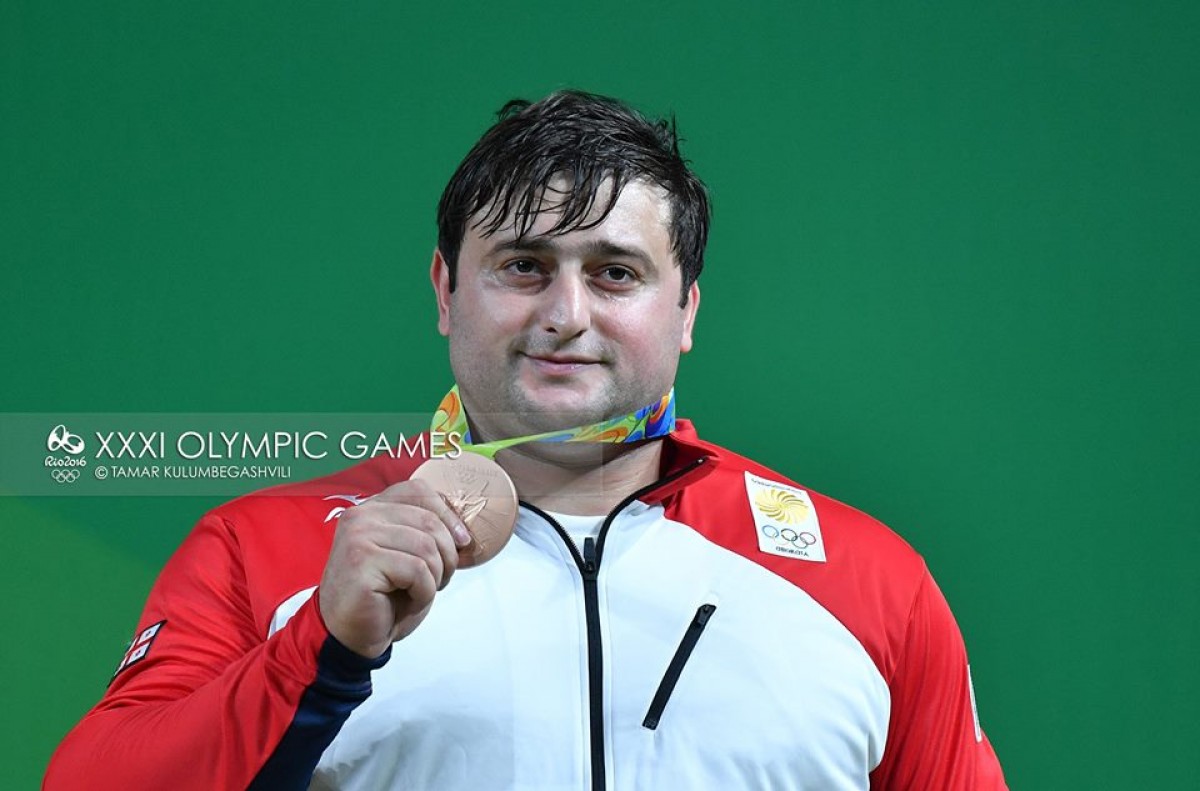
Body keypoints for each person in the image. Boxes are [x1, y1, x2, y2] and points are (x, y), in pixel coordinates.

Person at [44, 90, 1007, 790]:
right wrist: (322, 651)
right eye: (523, 265)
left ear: (686, 310)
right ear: (445, 290)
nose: (566, 314)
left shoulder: (869, 582)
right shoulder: (266, 550)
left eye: (616, 272)